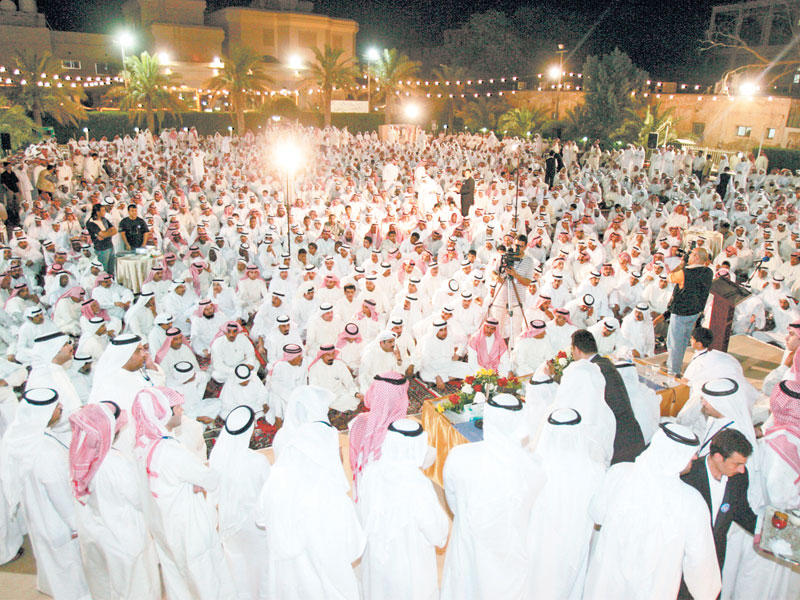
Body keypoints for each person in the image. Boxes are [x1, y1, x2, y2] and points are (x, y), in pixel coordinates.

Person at [583, 423, 721, 600]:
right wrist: (707, 594)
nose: (695, 458)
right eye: (691, 453)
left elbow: (597, 514)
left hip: (606, 584)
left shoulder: (618, 473)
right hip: (655, 589)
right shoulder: (691, 501)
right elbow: (700, 561)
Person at [256, 385, 365, 599]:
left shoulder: (276, 479)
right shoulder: (332, 496)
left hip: (289, 579)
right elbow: (353, 548)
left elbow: (261, 518)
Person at [131, 387, 234, 600]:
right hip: (189, 527)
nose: (181, 409)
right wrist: (198, 482)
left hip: (164, 524)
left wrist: (194, 482)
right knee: (206, 580)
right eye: (176, 406)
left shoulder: (142, 445)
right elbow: (210, 479)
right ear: (163, 413)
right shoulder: (170, 450)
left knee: (177, 581)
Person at [440, 393, 544, 600]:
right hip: (510, 551)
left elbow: (453, 502)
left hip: (470, 543)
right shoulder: (534, 468)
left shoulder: (460, 456)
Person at [0, 388, 92, 600]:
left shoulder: (21, 435)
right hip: (57, 521)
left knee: (51, 561)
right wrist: (76, 524)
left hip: (37, 512)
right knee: (69, 569)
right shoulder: (45, 453)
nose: (61, 408)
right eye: (56, 407)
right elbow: (60, 494)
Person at [68, 402, 161, 600]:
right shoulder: (115, 463)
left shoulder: (81, 455)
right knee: (136, 587)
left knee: (106, 587)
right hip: (124, 533)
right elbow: (138, 499)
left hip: (97, 533)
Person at [357, 418, 449, 600]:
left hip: (377, 563)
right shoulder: (418, 485)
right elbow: (437, 534)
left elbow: (362, 517)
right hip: (409, 571)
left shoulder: (370, 471)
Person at [527, 407, 605, 599]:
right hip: (573, 544)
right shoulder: (595, 470)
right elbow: (599, 514)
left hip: (538, 545)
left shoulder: (533, 466)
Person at [678, 428, 757, 599]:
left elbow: (741, 511)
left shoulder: (739, 477)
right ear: (718, 457)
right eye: (737, 464)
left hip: (714, 558)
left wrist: (765, 533)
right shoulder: (689, 476)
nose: (742, 469)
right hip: (683, 560)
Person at [209, 405, 271, 600]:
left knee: (238, 569)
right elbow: (267, 495)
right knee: (261, 569)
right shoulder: (257, 461)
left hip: (228, 523)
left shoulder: (217, 456)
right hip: (254, 525)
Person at [575, 328, 645, 464]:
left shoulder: (593, 371)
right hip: (632, 435)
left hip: (619, 443)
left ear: (576, 349)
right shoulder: (605, 363)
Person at [666, 246, 713, 376]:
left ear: (696, 257)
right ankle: (674, 363)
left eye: (691, 254)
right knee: (683, 340)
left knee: (675, 343)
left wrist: (681, 263)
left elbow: (669, 277)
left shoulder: (684, 273)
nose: (689, 256)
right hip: (694, 313)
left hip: (680, 313)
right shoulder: (708, 272)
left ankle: (673, 371)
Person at [85, 204, 117, 276]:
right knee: (103, 271)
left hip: (110, 246)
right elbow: (102, 234)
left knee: (111, 270)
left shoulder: (104, 219)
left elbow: (115, 230)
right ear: (97, 212)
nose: (105, 212)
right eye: (103, 211)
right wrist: (108, 232)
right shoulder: (91, 222)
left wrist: (105, 234)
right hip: (102, 249)